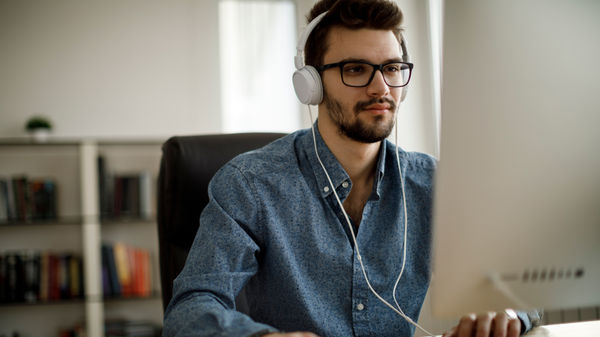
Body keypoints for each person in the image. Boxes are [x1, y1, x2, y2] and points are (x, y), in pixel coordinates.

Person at [163, 1, 540, 336]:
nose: (381, 88)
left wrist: (505, 310)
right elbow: (191, 309)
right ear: (311, 84)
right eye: (356, 69)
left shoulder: (434, 183)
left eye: (392, 68)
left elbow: (520, 286)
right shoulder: (250, 185)